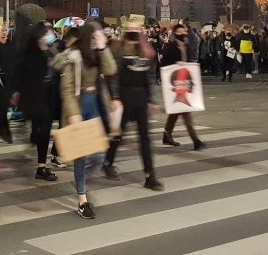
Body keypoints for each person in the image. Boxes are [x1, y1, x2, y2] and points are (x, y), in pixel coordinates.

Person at [57, 22, 118, 220]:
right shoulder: (72, 57)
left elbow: (110, 70)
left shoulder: (98, 54)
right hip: (78, 104)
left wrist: (103, 47)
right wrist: (73, 113)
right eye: (94, 37)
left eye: (99, 36)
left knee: (99, 155)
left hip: (95, 104)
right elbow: (66, 89)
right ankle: (82, 199)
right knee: (80, 155)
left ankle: (82, 181)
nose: (97, 39)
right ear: (86, 37)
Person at [103, 21, 164, 191]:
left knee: (144, 137)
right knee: (118, 134)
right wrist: (114, 97)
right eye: (132, 28)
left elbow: (149, 76)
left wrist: (151, 100)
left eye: (138, 28)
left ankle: (149, 175)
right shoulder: (118, 49)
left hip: (141, 97)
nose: (135, 31)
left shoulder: (145, 48)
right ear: (125, 31)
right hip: (124, 95)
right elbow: (113, 75)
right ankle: (108, 162)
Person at [12, 22, 61, 182]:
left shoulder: (52, 50)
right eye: (47, 32)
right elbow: (18, 73)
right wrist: (16, 92)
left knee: (45, 131)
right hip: (35, 95)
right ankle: (41, 166)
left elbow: (60, 66)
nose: (50, 34)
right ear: (39, 35)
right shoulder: (29, 53)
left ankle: (42, 165)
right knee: (44, 130)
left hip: (50, 94)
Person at [160, 23, 205, 150]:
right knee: (185, 111)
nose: (182, 34)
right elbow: (163, 63)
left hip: (185, 82)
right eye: (179, 32)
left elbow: (190, 60)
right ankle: (195, 139)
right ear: (175, 34)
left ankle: (167, 134)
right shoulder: (170, 47)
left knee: (176, 110)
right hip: (175, 83)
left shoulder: (187, 46)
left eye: (183, 32)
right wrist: (176, 64)